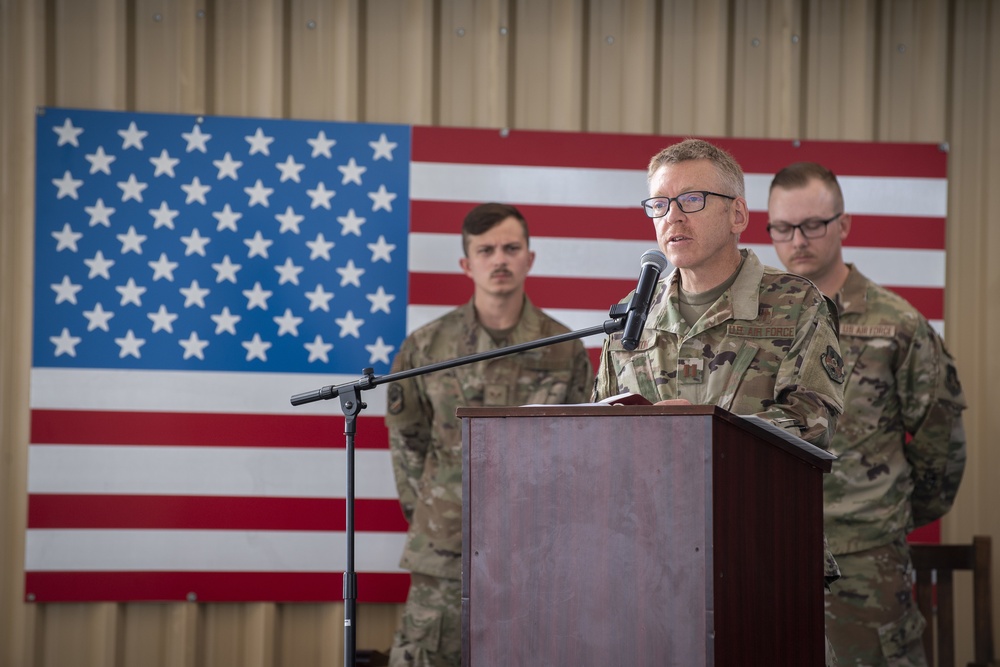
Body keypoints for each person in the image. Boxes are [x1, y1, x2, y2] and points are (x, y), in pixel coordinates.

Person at [591, 138, 846, 667]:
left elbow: (812, 422)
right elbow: (598, 431)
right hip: (647, 565)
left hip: (760, 554)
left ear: (738, 214)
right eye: (659, 204)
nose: (672, 217)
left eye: (691, 200)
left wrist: (704, 429)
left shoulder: (796, 303)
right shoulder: (629, 320)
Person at [767, 161, 967, 667]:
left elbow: (939, 447)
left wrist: (882, 520)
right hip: (767, 557)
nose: (798, 240)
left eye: (814, 225)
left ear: (844, 224)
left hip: (865, 566)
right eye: (783, 228)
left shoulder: (896, 325)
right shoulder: (753, 325)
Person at [384, 202, 594, 667]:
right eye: (486, 250)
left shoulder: (562, 348)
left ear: (529, 258)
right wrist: (437, 514)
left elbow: (583, 449)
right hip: (444, 551)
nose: (499, 259)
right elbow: (407, 444)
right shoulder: (426, 347)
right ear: (466, 263)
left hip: (538, 553)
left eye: (510, 248)